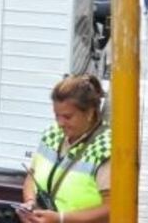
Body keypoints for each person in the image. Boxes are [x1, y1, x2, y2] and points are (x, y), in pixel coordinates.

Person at [18, 75, 110, 223]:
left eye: (67, 117)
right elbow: (31, 176)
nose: (60, 123)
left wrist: (61, 219)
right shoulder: (51, 134)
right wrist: (30, 203)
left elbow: (112, 207)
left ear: (89, 113)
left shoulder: (106, 149)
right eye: (56, 116)